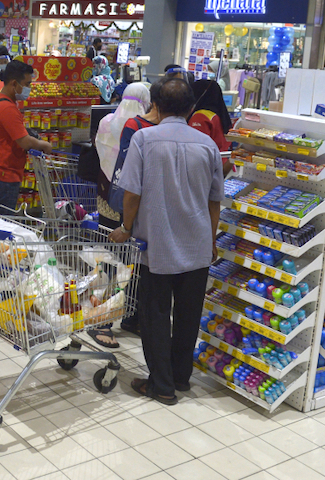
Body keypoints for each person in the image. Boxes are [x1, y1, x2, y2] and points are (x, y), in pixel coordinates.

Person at [109, 79, 224, 405]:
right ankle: (180, 377)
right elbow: (215, 200)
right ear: (191, 108)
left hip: (155, 245)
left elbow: (132, 192)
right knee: (189, 315)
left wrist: (126, 227)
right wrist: (211, 239)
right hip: (197, 244)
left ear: (155, 105)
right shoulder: (208, 145)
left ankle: (161, 384)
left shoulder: (145, 139)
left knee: (155, 315)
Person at [89, 81, 157, 348]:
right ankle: (124, 315)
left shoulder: (107, 121)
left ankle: (103, 316)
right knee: (133, 264)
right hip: (132, 203)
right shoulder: (144, 129)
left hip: (106, 197)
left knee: (109, 260)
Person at [0, 61, 53, 213]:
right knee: (3, 223)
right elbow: (25, 142)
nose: (29, 89)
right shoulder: (7, 108)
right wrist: (44, 145)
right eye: (27, 84)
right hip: (2, 176)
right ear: (14, 83)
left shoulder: (0, 100)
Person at [190, 79, 234, 172]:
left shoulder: (200, 117)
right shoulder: (219, 115)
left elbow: (195, 151)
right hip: (221, 166)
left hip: (206, 170)